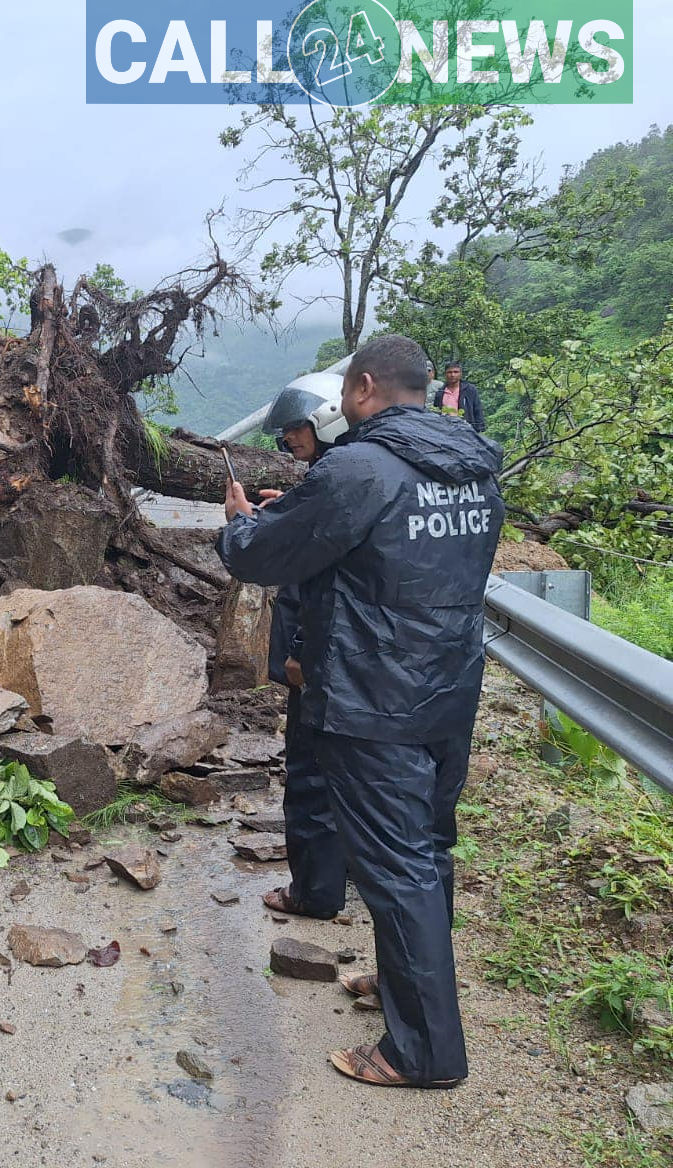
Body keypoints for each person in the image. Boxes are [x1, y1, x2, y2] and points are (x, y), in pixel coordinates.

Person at [215, 334, 505, 1089]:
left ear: (366, 387)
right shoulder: (474, 463)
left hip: (376, 696)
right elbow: (401, 551)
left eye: (346, 391)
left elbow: (257, 556)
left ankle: (423, 1053)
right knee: (428, 848)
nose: (342, 405)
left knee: (395, 865)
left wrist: (241, 521)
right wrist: (308, 512)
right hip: (449, 687)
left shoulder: (357, 467)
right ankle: (407, 990)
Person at [256, 371, 349, 921]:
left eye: (295, 428)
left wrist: (298, 651)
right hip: (358, 662)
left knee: (311, 769)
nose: (287, 439)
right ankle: (347, 871)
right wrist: (293, 506)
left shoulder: (337, 479)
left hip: (319, 659)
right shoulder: (343, 477)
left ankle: (313, 891)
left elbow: (318, 587)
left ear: (326, 421)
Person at [432, 362, 485, 432]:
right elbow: (436, 411)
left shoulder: (469, 390)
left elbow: (477, 409)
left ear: (460, 374)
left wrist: (479, 428)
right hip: (445, 430)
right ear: (445, 374)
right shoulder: (440, 392)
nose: (452, 375)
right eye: (449, 372)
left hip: (466, 429)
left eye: (456, 372)